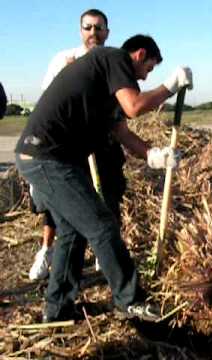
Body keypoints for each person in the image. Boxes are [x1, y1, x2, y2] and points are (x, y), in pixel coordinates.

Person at [15, 34, 193, 322]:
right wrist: (170, 86)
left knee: (72, 234)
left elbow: (122, 133)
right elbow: (135, 106)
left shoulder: (106, 90)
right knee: (101, 225)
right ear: (139, 54)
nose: (146, 78)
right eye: (149, 69)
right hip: (46, 157)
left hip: (49, 158)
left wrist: (152, 155)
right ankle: (129, 301)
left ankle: (58, 309)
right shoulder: (114, 58)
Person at [29, 9, 116, 280]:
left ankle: (106, 253)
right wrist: (67, 75)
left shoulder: (111, 61)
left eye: (99, 28)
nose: (93, 33)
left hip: (99, 140)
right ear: (81, 31)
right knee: (59, 206)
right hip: (64, 146)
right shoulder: (63, 59)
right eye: (88, 27)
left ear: (107, 33)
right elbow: (47, 99)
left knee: (107, 195)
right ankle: (46, 251)